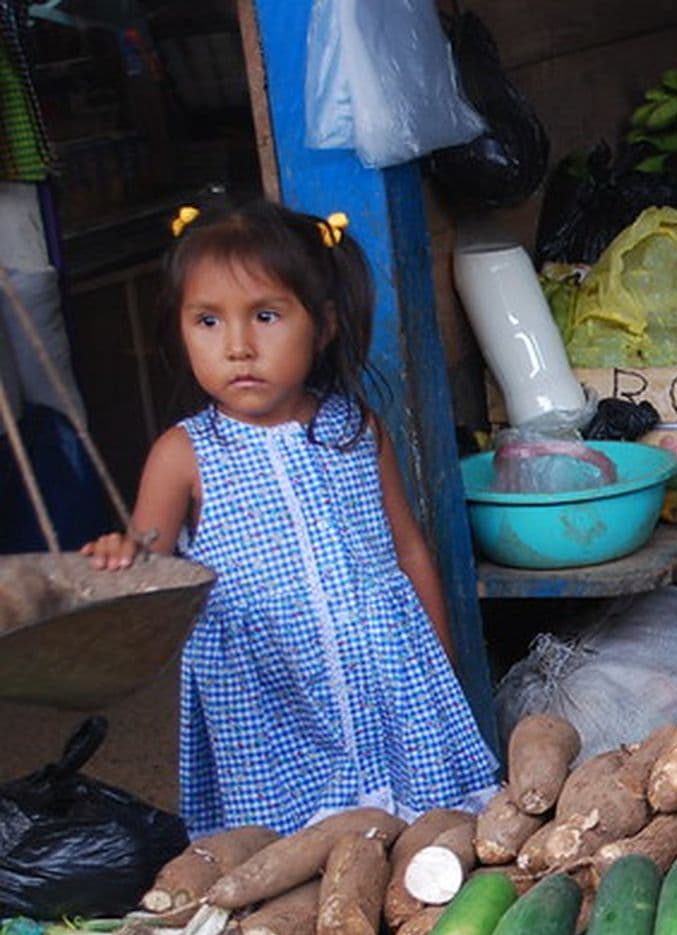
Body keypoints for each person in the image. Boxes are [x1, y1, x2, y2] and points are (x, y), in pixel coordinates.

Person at [84, 199, 497, 835]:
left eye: (267, 316)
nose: (239, 346)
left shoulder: (355, 430)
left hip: (382, 668)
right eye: (208, 322)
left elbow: (408, 550)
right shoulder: (183, 453)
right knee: (286, 847)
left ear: (323, 326)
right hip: (267, 692)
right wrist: (124, 555)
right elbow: (151, 561)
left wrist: (438, 663)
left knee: (425, 833)